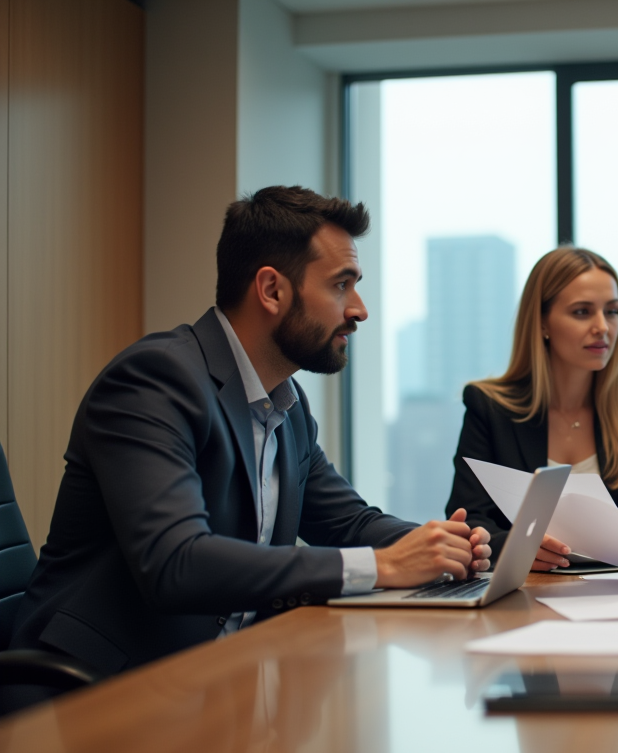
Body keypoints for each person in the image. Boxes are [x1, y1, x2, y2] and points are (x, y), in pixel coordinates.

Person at [9, 186, 491, 681]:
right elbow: (177, 562)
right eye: (341, 285)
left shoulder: (287, 404)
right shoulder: (154, 380)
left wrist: (437, 545)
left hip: (213, 680)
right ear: (271, 290)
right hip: (87, 690)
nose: (359, 309)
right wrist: (383, 566)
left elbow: (348, 523)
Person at [446, 246, 618, 570]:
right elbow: (469, 520)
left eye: (612, 311)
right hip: (525, 591)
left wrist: (596, 547)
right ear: (542, 322)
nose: (603, 326)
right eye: (582, 312)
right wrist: (522, 545)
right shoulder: (489, 407)